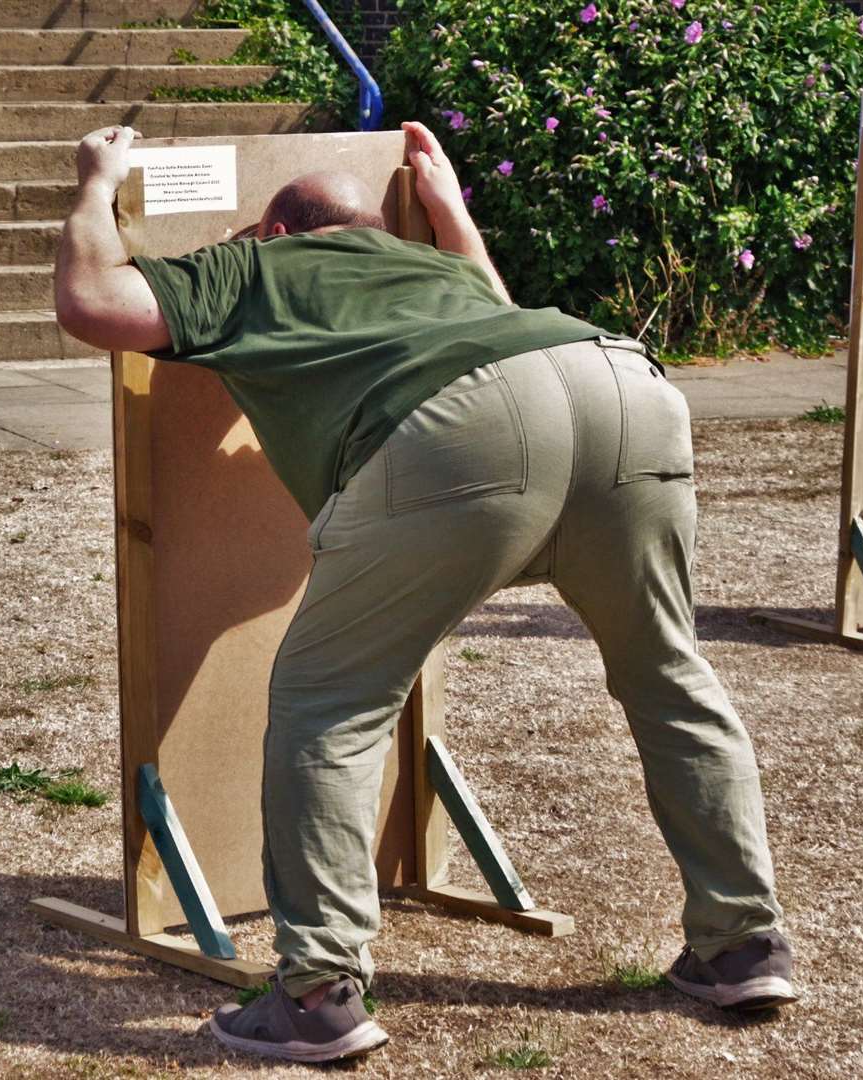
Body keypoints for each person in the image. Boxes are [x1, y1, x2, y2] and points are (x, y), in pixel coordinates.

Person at [53, 122, 796, 1063]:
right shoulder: (440, 272)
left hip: (465, 432)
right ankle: (742, 944)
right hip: (619, 386)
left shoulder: (256, 269)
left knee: (331, 707)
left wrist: (96, 186)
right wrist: (450, 211)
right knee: (668, 676)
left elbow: (94, 301)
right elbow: (498, 312)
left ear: (274, 231)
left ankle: (318, 990)